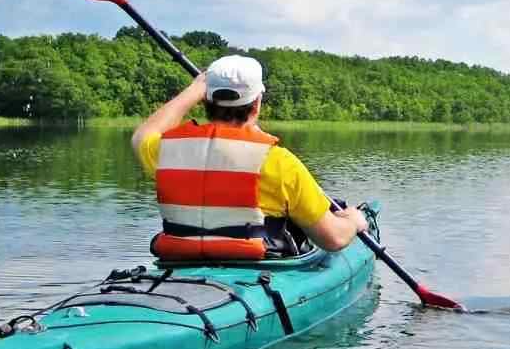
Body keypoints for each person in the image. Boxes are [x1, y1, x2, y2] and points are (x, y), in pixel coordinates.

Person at [132, 54, 368, 261]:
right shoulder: (278, 162)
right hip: (255, 265)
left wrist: (192, 90)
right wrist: (354, 221)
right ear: (256, 104)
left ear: (205, 100)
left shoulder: (169, 151)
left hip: (179, 261)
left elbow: (142, 136)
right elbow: (333, 239)